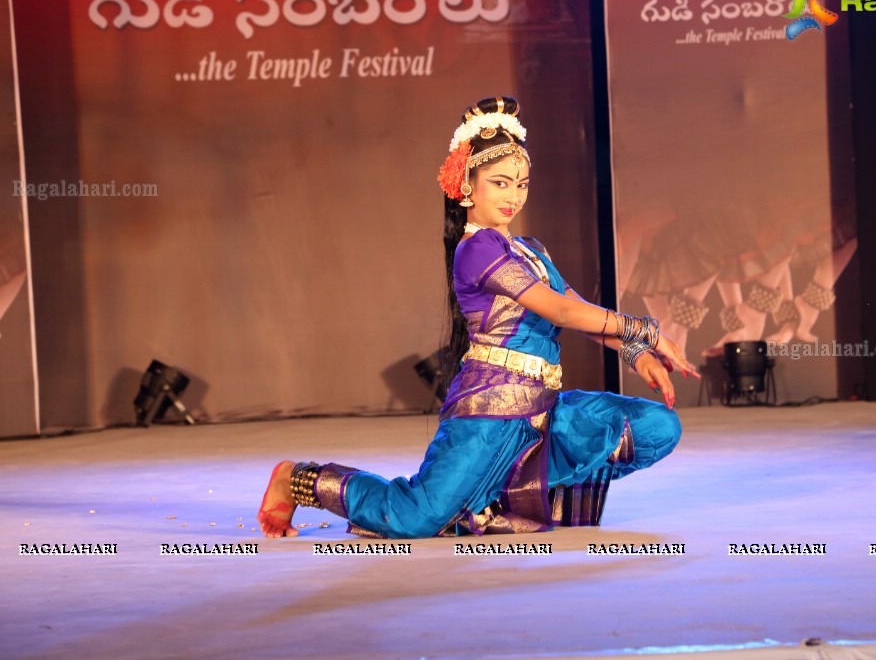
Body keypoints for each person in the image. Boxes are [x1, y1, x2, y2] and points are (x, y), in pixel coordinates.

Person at [257, 96, 699, 540]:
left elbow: (577, 308)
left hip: (542, 413)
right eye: (501, 183)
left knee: (657, 427)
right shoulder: (477, 249)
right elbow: (561, 310)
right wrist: (647, 330)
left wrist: (635, 351)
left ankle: (511, 499)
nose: (514, 196)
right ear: (467, 185)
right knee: (415, 518)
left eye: (522, 184)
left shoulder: (533, 251)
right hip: (487, 417)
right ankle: (296, 480)